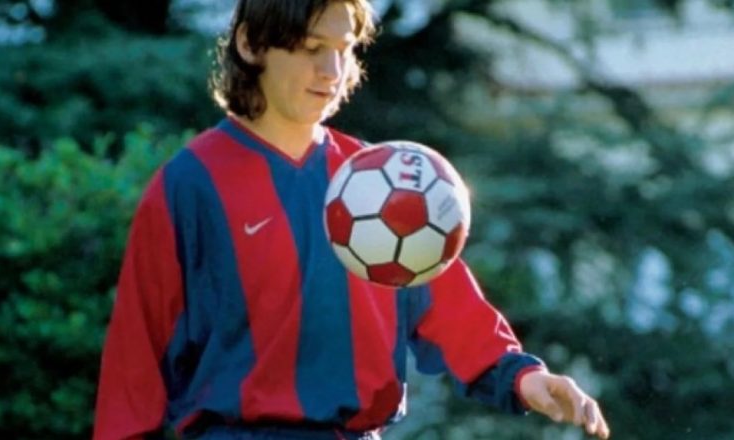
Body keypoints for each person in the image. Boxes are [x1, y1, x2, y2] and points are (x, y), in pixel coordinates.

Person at [93, 0, 611, 439]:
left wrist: (524, 379)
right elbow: (136, 360)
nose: (332, 70)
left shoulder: (385, 179)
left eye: (344, 50)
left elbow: (452, 309)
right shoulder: (191, 183)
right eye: (311, 48)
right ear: (251, 45)